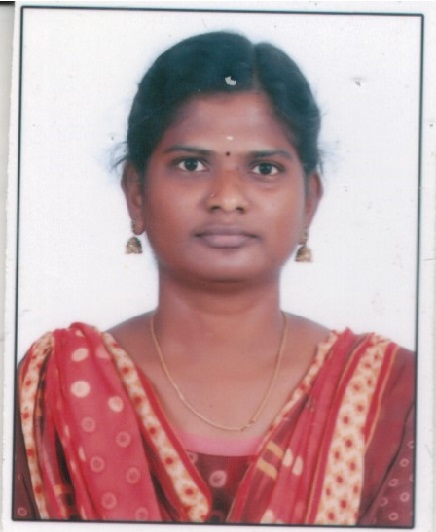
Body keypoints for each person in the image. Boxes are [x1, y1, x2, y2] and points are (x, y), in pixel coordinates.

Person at [14, 31, 415, 525]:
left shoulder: (396, 395)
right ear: (136, 193)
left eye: (264, 168)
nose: (227, 198)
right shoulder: (54, 387)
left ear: (310, 200)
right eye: (191, 164)